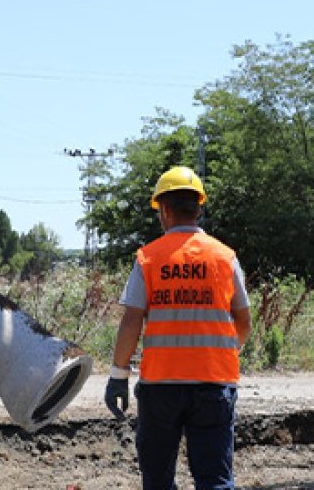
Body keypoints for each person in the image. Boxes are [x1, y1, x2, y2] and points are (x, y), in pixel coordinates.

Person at [105, 166, 252, 490]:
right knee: (214, 480)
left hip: (161, 386)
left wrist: (118, 375)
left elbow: (131, 320)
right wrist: (225, 351)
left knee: (157, 480)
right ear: (198, 209)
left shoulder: (149, 258)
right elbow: (243, 319)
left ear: (165, 211)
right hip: (214, 384)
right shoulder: (225, 258)